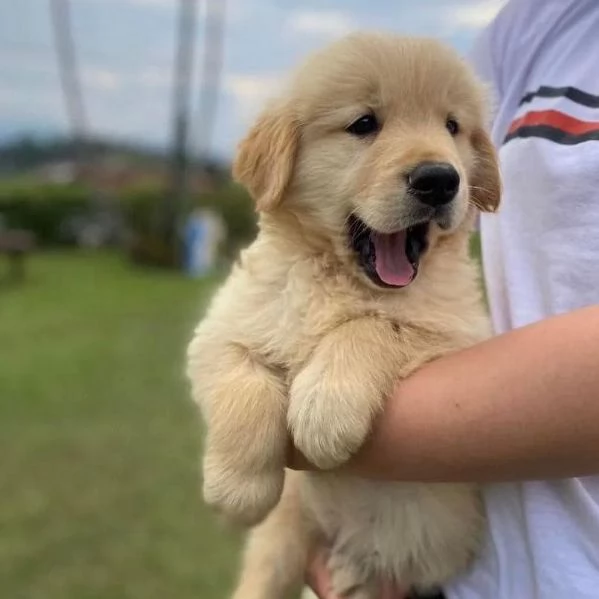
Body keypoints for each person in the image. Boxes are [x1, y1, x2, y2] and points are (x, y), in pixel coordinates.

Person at [299, 0, 599, 597]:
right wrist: (342, 517)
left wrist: (294, 422)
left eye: (453, 129)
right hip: (453, 567)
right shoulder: (542, 22)